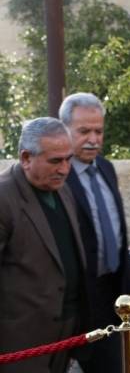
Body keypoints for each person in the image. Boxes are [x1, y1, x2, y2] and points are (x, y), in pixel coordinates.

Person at [0, 117, 88, 373]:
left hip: (65, 334)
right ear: (26, 158)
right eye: (55, 161)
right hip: (19, 343)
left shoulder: (63, 190)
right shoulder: (4, 198)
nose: (65, 169)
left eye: (68, 159)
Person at [59, 93, 130, 373]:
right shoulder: (57, 176)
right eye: (84, 131)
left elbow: (120, 233)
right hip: (74, 302)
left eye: (99, 131)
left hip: (110, 296)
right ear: (64, 129)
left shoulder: (106, 168)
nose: (93, 139)